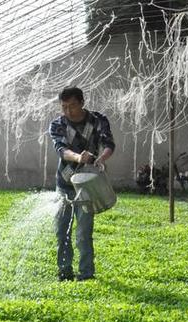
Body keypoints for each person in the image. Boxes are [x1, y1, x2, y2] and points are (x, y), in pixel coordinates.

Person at [48, 87, 115, 281]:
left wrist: (101, 159)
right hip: (65, 182)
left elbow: (109, 144)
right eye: (64, 107)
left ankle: (86, 274)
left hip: (87, 184)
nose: (68, 111)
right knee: (62, 231)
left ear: (82, 102)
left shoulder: (98, 120)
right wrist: (79, 157)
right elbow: (61, 149)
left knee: (84, 232)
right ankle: (64, 271)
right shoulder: (57, 124)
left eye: (73, 106)